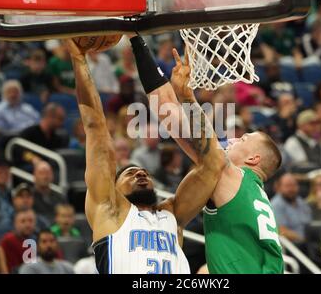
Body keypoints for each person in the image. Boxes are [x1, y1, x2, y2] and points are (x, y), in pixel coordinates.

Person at [65, 36, 227, 274]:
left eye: (142, 171)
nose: (140, 172)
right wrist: (79, 60)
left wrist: (186, 98)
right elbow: (96, 128)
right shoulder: (109, 209)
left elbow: (213, 163)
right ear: (114, 188)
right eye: (130, 173)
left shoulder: (173, 212)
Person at [130, 35, 284, 274]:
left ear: (253, 159)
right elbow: (171, 116)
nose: (232, 140)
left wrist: (187, 96)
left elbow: (170, 116)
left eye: (242, 139)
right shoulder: (255, 195)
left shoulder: (232, 176)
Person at [271, 173, 312, 244]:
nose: (291, 189)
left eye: (294, 185)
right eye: (288, 186)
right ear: (279, 188)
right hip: (292, 246)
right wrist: (303, 239)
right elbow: (281, 230)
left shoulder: (300, 201)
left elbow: (309, 223)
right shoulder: (276, 204)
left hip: (309, 242)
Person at [0, 208, 37, 273]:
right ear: (15, 224)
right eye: (23, 221)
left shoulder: (38, 239)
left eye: (30, 221)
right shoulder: (8, 241)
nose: (27, 225)